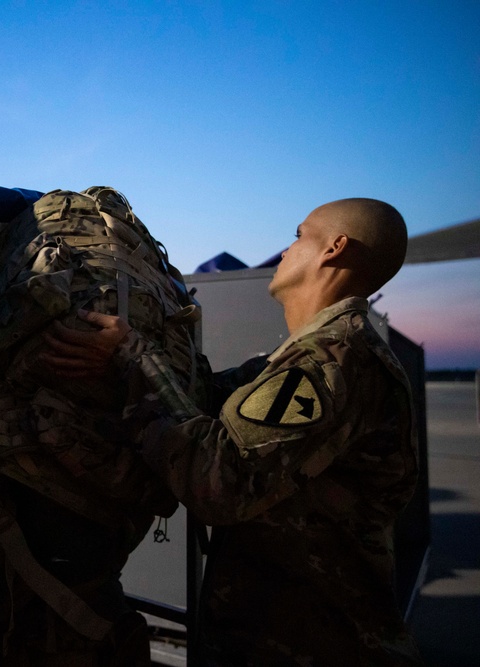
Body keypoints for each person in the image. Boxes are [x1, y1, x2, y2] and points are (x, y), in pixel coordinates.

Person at [42, 198, 424, 665]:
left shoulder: (331, 364)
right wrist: (138, 351)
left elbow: (217, 482)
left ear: (335, 248)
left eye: (300, 235)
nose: (286, 249)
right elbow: (203, 396)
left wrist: (133, 355)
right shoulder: (296, 361)